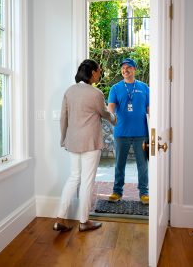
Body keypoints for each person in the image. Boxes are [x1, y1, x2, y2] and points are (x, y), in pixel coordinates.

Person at [53, 59, 116, 233]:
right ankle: (84, 221)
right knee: (87, 181)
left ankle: (60, 218)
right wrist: (115, 119)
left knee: (74, 178)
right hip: (90, 142)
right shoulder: (95, 94)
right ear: (92, 73)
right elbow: (104, 113)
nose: (100, 73)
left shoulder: (69, 91)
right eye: (99, 70)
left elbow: (63, 118)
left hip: (72, 141)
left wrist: (63, 139)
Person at [108, 58, 149, 205]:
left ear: (134, 69)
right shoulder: (115, 88)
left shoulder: (144, 87)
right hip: (121, 133)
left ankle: (144, 193)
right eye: (123, 68)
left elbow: (150, 109)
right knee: (119, 164)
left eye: (128, 67)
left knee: (142, 165)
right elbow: (111, 108)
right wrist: (112, 118)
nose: (125, 70)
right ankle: (117, 191)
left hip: (141, 132)